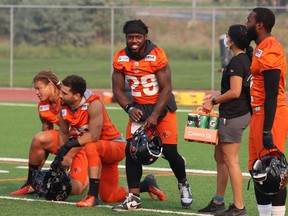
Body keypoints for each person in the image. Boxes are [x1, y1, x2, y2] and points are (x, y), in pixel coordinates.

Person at [111, 19, 192, 211]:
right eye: (130, 37)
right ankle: (134, 197)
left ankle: (183, 183)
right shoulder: (121, 57)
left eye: (138, 37)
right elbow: (118, 90)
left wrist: (155, 114)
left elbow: (166, 88)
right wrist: (129, 108)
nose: (134, 40)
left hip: (162, 109)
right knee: (131, 151)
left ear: (145, 37)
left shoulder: (156, 55)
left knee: (170, 152)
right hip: (139, 110)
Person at [52, 75, 166, 207]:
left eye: (64, 93)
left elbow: (93, 136)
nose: (60, 95)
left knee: (90, 146)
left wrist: (68, 146)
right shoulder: (65, 106)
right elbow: (64, 132)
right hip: (99, 151)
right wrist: (61, 156)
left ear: (77, 96)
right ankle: (147, 184)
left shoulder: (93, 104)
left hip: (115, 146)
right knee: (110, 197)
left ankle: (92, 196)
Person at [199, 24, 252, 216]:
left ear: (232, 40)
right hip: (237, 114)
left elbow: (235, 92)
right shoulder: (245, 58)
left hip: (233, 115)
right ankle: (218, 201)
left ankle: (238, 207)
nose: (225, 38)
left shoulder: (238, 61)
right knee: (220, 158)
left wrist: (212, 101)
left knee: (231, 160)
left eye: (228, 36)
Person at [10, 70, 89, 196]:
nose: (36, 93)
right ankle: (32, 182)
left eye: (39, 88)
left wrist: (67, 155)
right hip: (66, 142)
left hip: (83, 143)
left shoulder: (67, 98)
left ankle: (89, 173)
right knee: (39, 139)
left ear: (50, 86)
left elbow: (87, 132)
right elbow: (46, 137)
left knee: (76, 189)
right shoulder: (42, 106)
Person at [246, 7, 288, 216]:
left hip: (271, 114)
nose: (246, 25)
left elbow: (272, 93)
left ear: (259, 24)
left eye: (249, 21)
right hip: (259, 113)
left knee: (274, 171)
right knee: (257, 169)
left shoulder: (271, 48)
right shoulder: (261, 47)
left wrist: (266, 130)